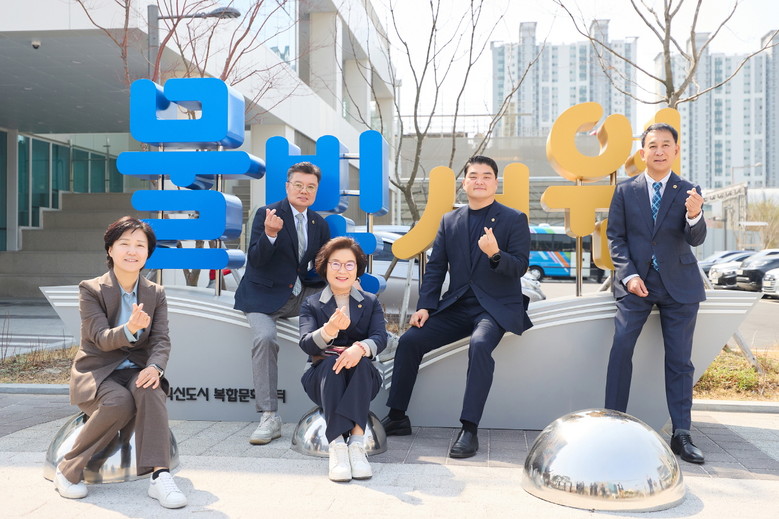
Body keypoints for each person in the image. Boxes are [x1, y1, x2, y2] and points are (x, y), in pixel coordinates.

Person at [381, 155, 533, 458]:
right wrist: (425, 306)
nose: (479, 181)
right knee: (410, 341)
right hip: (457, 306)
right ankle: (397, 416)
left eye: (486, 176)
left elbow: (520, 266)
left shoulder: (513, 219)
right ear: (464, 183)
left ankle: (469, 429)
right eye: (473, 176)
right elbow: (436, 268)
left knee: (480, 345)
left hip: (494, 309)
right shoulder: (450, 221)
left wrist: (495, 254)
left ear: (495, 183)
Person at [54, 216, 187, 508]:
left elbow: (161, 339)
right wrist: (129, 329)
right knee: (119, 403)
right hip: (98, 372)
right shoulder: (91, 289)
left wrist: (155, 367)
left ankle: (160, 477)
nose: (132, 251)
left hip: (137, 370)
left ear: (148, 253)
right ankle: (67, 469)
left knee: (151, 389)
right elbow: (99, 338)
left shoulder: (155, 293)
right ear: (110, 249)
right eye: (124, 243)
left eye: (140, 245)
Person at [604, 123, 707, 464]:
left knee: (680, 361)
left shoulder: (689, 190)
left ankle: (682, 434)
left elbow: (696, 239)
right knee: (621, 348)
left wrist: (695, 215)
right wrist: (629, 275)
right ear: (642, 152)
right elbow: (615, 238)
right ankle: (613, 424)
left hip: (679, 285)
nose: (659, 151)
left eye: (666, 145)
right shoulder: (625, 190)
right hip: (636, 284)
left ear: (676, 150)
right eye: (653, 145)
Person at [234, 162, 331, 445]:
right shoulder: (268, 214)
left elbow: (323, 265)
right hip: (262, 296)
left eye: (310, 187)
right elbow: (256, 260)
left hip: (300, 295)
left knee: (335, 315)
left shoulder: (319, 224)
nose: (304, 191)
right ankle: (269, 416)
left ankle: (330, 402)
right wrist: (270, 234)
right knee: (265, 338)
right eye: (298, 185)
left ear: (316, 191)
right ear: (287, 187)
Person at [298, 237, 387, 482]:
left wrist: (360, 348)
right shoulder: (311, 304)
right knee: (330, 363)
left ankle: (356, 445)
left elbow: (380, 337)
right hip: (322, 379)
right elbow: (306, 343)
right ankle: (337, 447)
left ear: (357, 269)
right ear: (325, 267)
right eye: (335, 264)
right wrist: (329, 330)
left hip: (363, 378)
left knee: (360, 362)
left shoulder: (370, 302)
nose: (342, 270)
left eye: (349, 264)